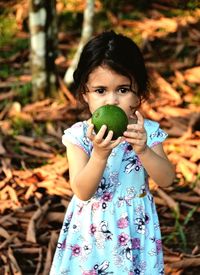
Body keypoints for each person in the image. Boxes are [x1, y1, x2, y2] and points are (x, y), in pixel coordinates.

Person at [50, 30, 175, 275]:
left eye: (123, 89)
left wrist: (144, 150)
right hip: (91, 236)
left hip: (135, 232)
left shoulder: (146, 132)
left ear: (140, 93)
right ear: (85, 94)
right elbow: (82, 191)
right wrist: (98, 155)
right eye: (100, 91)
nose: (112, 101)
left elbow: (167, 179)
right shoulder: (79, 137)